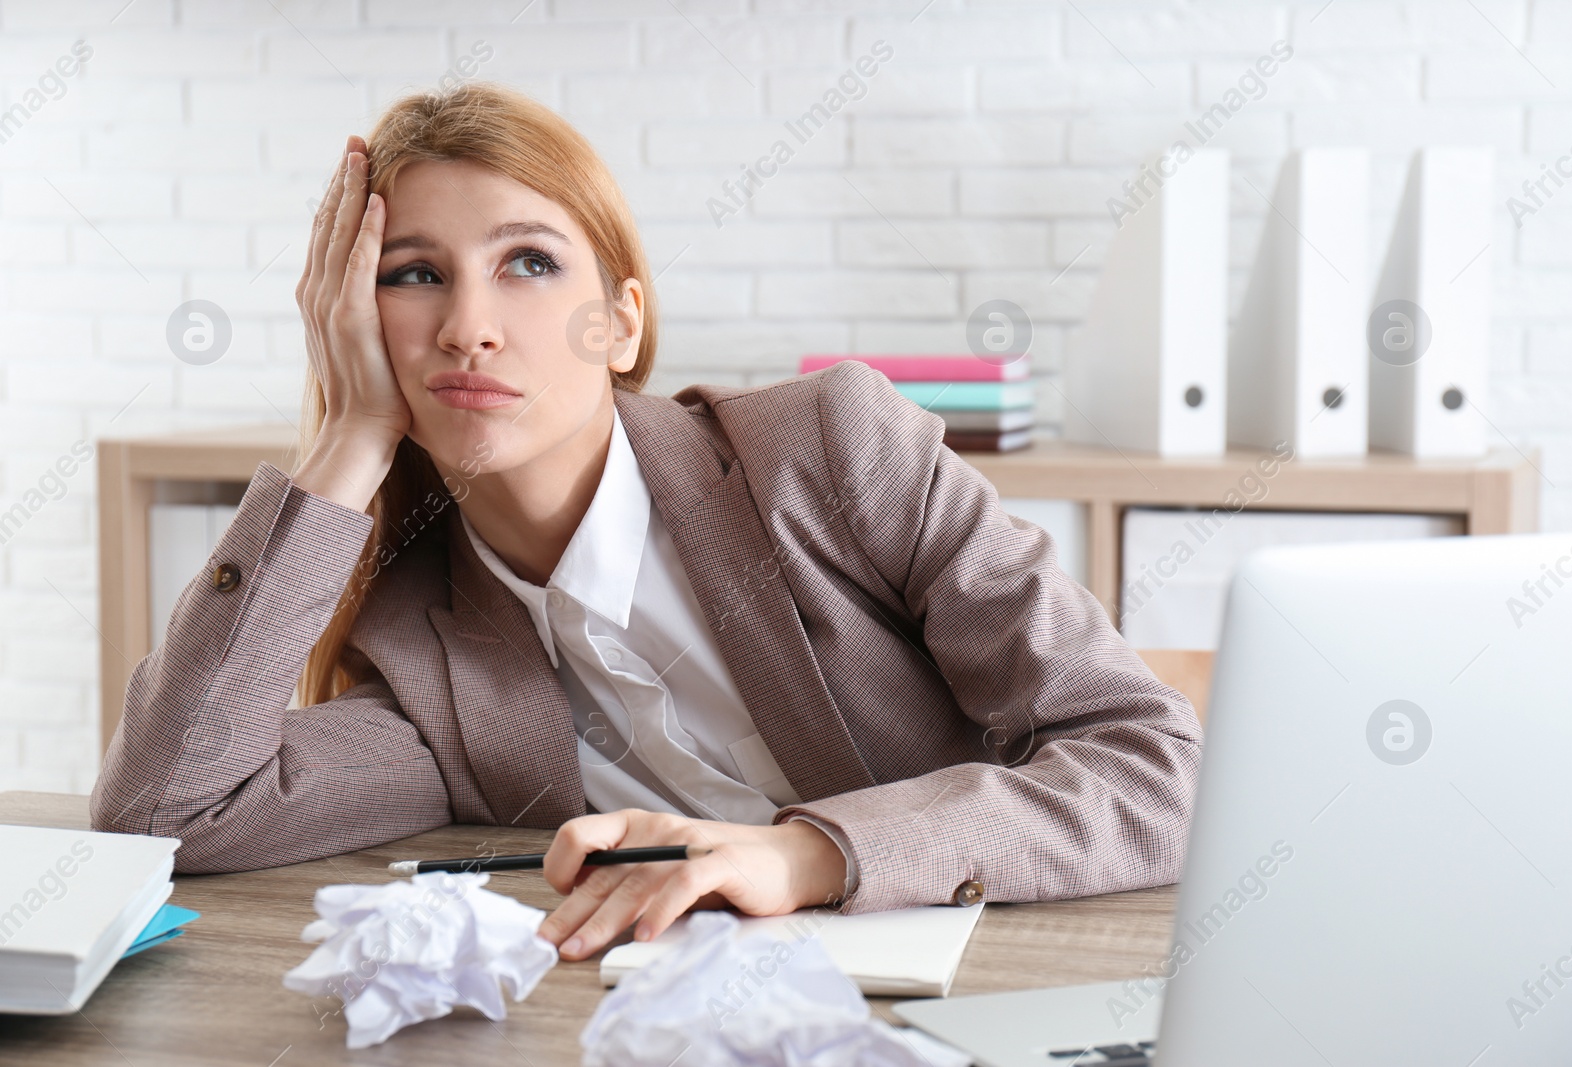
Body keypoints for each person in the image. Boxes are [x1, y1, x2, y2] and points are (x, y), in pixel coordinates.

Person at [90, 83, 1202, 962]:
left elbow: (1159, 767)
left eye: (528, 262)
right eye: (413, 273)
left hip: (1013, 977)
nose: (469, 327)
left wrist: (807, 854)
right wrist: (342, 441)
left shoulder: (832, 451)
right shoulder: (422, 638)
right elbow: (163, 813)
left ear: (621, 322)